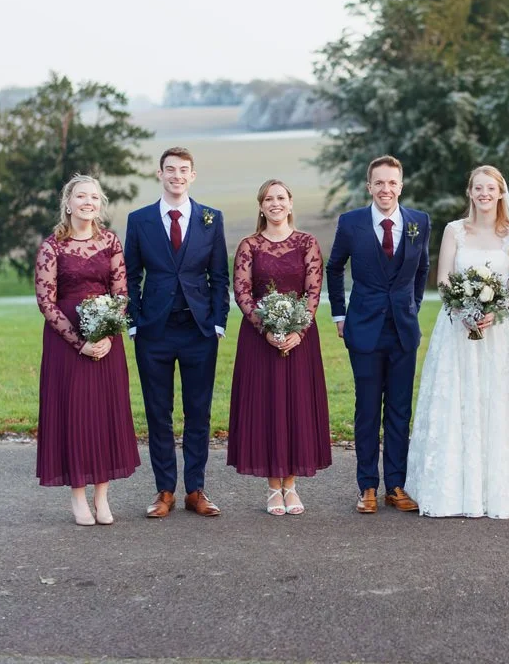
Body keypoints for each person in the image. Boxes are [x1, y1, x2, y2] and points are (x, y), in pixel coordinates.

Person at [407, 166, 509, 518]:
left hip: (499, 331)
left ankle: (498, 490)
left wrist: (495, 306)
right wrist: (464, 309)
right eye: (478, 188)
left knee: (497, 403)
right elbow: (442, 282)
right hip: (457, 328)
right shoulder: (454, 230)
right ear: (469, 193)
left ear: (501, 193)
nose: (484, 193)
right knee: (457, 400)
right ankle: (452, 490)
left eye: (491, 188)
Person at [124, 147, 230, 518]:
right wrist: (134, 322)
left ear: (193, 175)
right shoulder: (139, 221)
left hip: (199, 330)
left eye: (184, 170)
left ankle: (196, 490)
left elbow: (219, 277)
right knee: (158, 412)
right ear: (160, 174)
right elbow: (130, 277)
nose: (177, 176)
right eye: (170, 170)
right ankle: (164, 490)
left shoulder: (210, 219)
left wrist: (218, 321)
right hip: (154, 331)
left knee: (198, 412)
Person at [325, 155, 431, 514]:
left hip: (403, 328)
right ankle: (367, 487)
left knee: (400, 410)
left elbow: (423, 268)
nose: (386, 189)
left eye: (392, 183)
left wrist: (413, 305)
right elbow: (335, 266)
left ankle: (396, 486)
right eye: (379, 183)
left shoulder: (419, 221)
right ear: (369, 187)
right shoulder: (351, 222)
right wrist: (339, 313)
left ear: (401, 186)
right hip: (364, 329)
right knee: (368, 409)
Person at [34, 174, 140, 525]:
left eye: (94, 197)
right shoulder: (52, 247)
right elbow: (46, 302)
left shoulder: (110, 241)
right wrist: (80, 342)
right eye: (81, 196)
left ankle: (102, 497)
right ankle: (78, 497)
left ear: (100, 204)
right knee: (74, 415)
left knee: (104, 414)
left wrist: (107, 332)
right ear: (68, 204)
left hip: (107, 342)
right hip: (67, 345)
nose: (88, 202)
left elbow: (121, 293)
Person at [227, 179, 331, 515]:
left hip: (301, 338)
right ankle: (273, 487)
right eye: (268, 199)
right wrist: (266, 328)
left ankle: (292, 485)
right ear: (261, 206)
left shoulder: (307, 243)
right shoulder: (249, 246)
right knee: (268, 408)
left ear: (290, 203)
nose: (275, 204)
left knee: (295, 407)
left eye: (281, 198)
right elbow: (242, 292)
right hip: (260, 341)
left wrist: (298, 329)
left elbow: (313, 293)